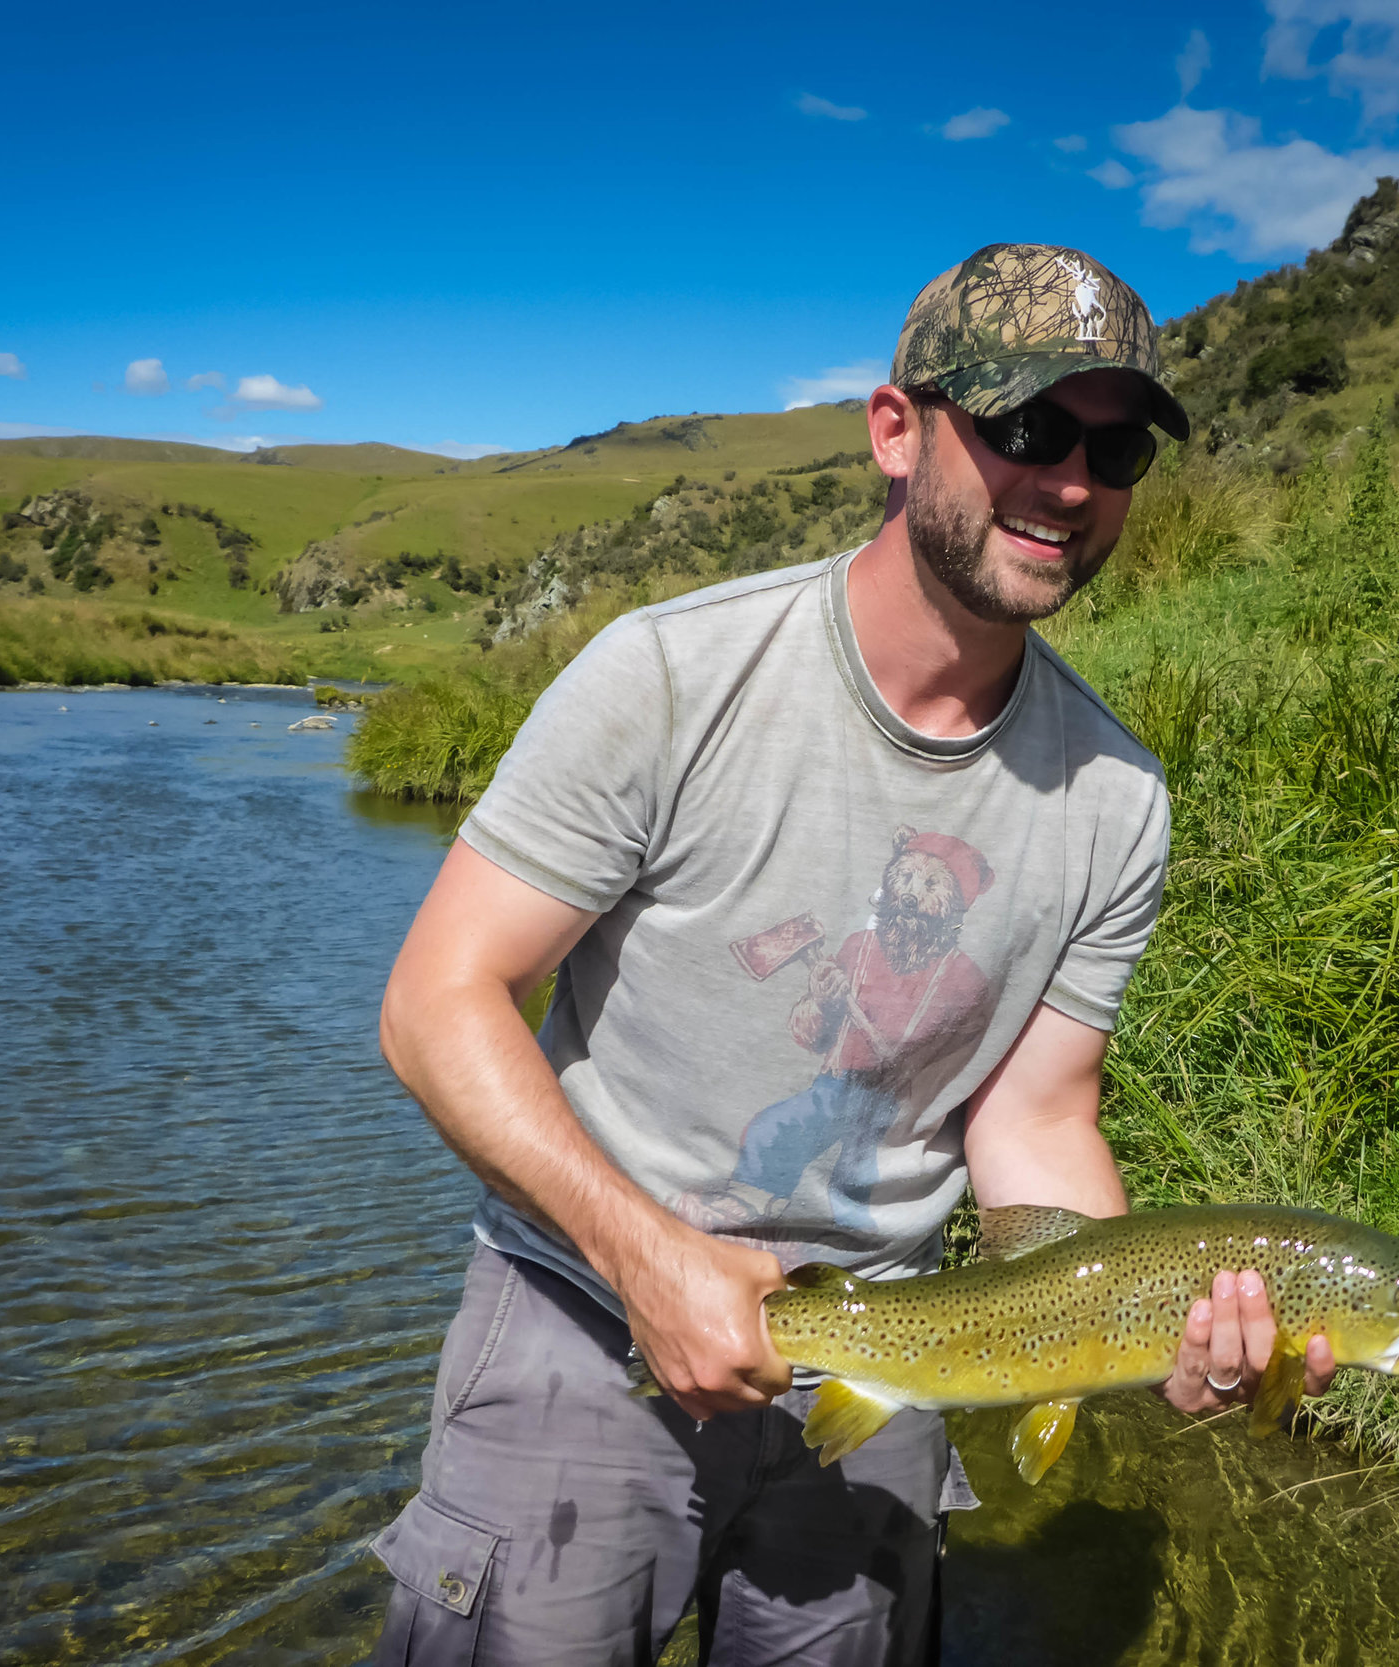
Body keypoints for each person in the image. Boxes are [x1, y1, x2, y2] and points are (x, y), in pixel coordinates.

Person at [368, 243, 1334, 1667]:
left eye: (1114, 445)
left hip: (898, 1357)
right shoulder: (672, 676)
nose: (1070, 481)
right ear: (897, 431)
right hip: (583, 1324)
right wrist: (645, 1258)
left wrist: (1147, 1337)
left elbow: (1036, 1117)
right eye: (1023, 427)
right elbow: (437, 999)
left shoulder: (1117, 799)